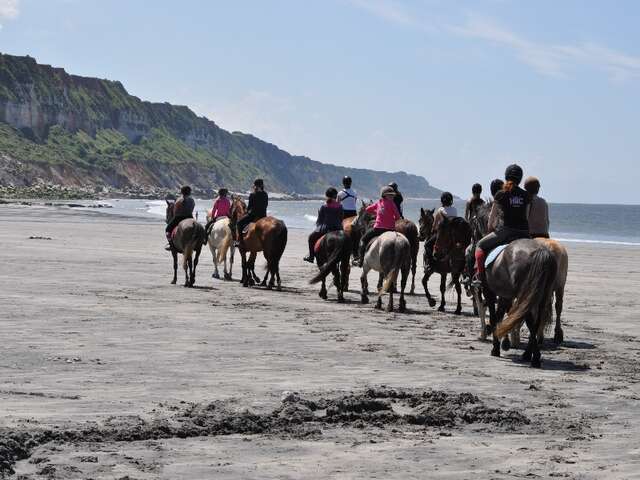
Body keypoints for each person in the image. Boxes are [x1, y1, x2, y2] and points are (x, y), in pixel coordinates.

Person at [473, 165, 530, 286]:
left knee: (480, 245)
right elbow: (527, 216)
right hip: (525, 233)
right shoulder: (526, 195)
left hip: (507, 231)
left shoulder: (500, 194)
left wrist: (491, 229)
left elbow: (491, 220)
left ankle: (479, 276)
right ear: (520, 179)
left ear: (506, 177)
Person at [355, 186, 401, 267]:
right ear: (384, 195)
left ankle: (361, 260)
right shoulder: (392, 204)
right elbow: (397, 217)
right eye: (390, 195)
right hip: (391, 230)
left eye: (392, 195)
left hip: (378, 229)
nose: (392, 196)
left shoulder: (378, 203)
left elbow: (368, 209)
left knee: (362, 240)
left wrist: (377, 212)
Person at [303, 187, 344, 263]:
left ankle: (311, 256)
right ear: (335, 196)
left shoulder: (324, 206)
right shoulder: (340, 206)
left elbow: (320, 220)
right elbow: (341, 218)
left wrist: (318, 226)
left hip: (325, 228)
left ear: (327, 196)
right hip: (338, 228)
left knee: (311, 238)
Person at [424, 192, 458, 268]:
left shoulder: (440, 210)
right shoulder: (455, 210)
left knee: (427, 245)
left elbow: (435, 225)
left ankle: (430, 264)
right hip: (453, 235)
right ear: (451, 201)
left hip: (442, 235)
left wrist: (433, 230)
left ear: (442, 201)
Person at [235, 179, 268, 243]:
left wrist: (246, 212)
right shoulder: (265, 194)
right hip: (263, 215)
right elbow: (266, 205)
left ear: (255, 186)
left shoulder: (252, 194)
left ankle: (239, 241)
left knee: (239, 223)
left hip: (253, 215)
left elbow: (250, 206)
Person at [165, 185, 196, 250]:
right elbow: (192, 208)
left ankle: (171, 244)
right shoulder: (192, 200)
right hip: (190, 217)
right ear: (190, 192)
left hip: (179, 217)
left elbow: (175, 211)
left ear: (181, 192)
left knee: (167, 229)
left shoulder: (179, 200)